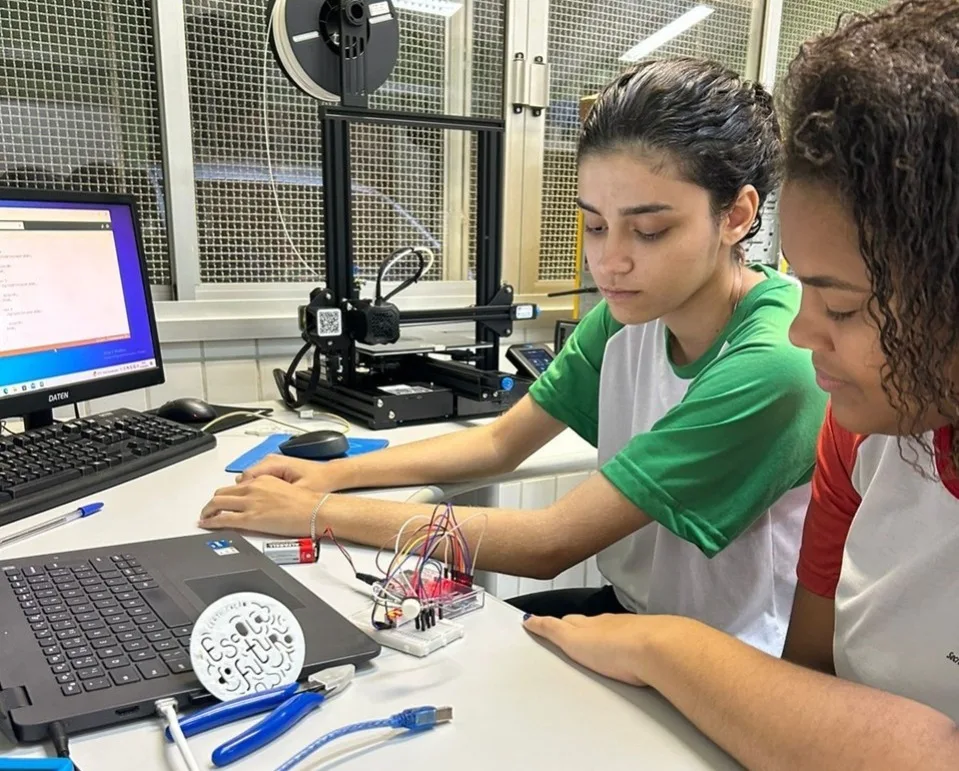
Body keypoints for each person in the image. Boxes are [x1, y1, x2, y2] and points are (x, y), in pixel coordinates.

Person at [200, 57, 827, 655]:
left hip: (726, 658)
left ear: (737, 216)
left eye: (650, 230)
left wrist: (315, 513)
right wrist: (333, 475)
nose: (608, 261)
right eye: (595, 225)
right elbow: (499, 444)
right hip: (633, 613)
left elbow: (548, 543)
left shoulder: (776, 359)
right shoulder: (625, 315)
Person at [523, 1, 959, 768]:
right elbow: (804, 683)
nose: (800, 332)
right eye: (594, 225)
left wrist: (666, 644)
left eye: (842, 306)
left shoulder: (781, 371)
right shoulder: (861, 431)